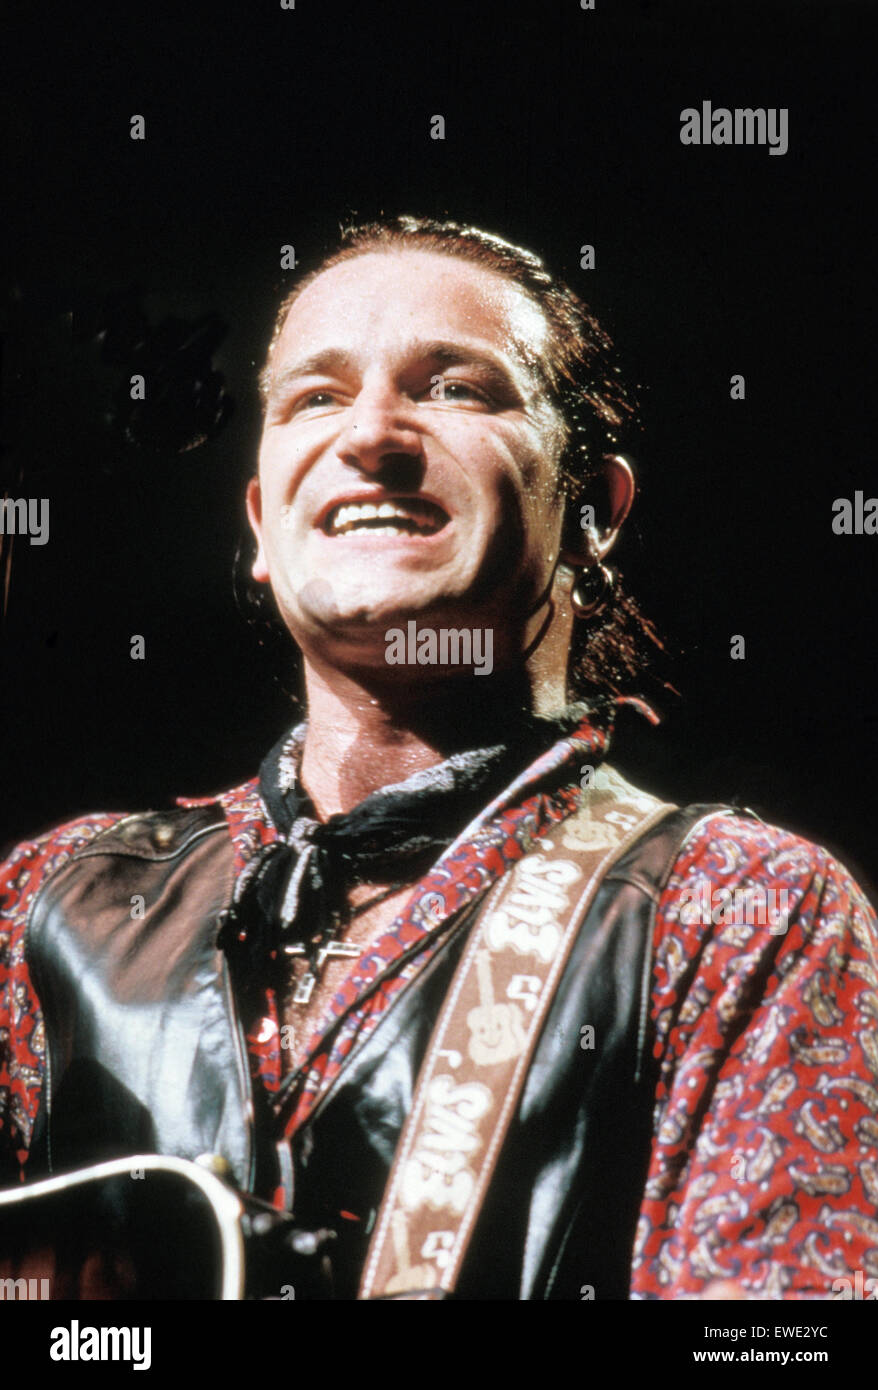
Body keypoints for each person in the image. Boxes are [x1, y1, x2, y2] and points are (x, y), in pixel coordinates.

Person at [1, 216, 876, 1301]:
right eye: (313, 398)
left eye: (455, 387)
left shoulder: (739, 906)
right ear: (263, 524)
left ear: (592, 512)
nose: (370, 435)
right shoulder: (51, 897)